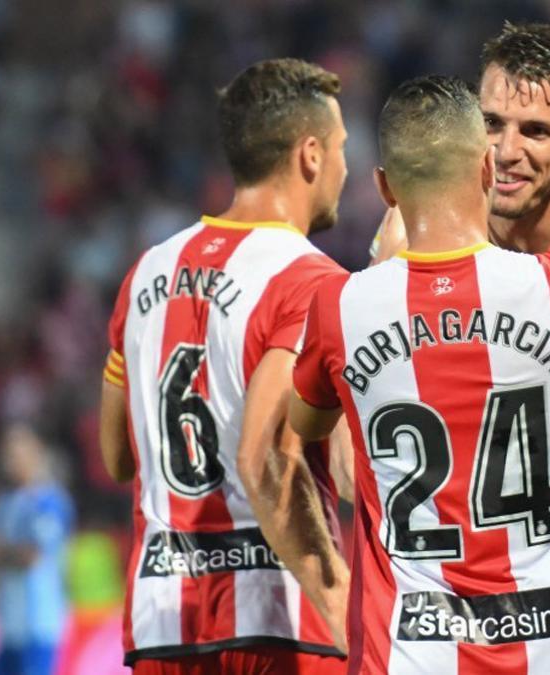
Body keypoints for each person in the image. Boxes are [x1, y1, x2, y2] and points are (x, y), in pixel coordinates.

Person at [290, 74, 550, 675]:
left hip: (409, 650)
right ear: (486, 172)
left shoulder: (339, 307)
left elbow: (305, 424)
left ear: (385, 188)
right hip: (546, 645)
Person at [98, 58, 350, 674]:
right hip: (281, 619)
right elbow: (318, 469)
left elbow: (116, 456)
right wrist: (345, 605)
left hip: (163, 620)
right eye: (343, 147)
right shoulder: (311, 280)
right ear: (310, 155)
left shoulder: (146, 272)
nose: (346, 166)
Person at [0, 424, 75, 675]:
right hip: (9, 624)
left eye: (18, 452)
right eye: (8, 454)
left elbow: (33, 556)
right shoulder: (5, 503)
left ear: (37, 452)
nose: (12, 460)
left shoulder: (50, 501)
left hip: (40, 623)